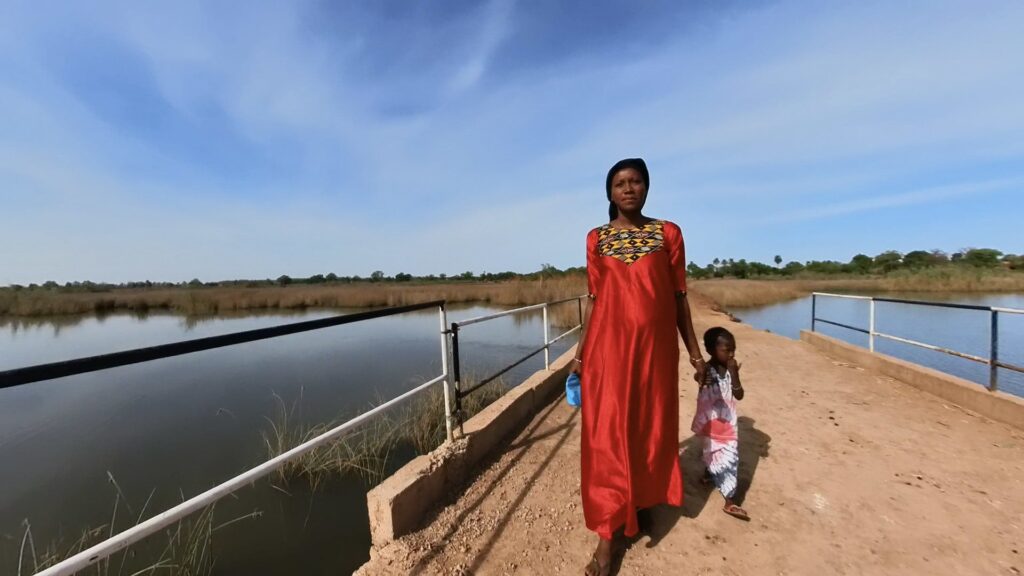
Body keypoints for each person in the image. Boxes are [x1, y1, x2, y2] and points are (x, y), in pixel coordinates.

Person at [571, 158, 706, 576]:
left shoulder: (668, 233)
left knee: (649, 428)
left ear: (647, 187)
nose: (628, 189)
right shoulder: (596, 239)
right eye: (619, 184)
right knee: (607, 436)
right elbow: (595, 301)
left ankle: (640, 501)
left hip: (655, 353)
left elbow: (679, 296)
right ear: (609, 193)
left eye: (635, 181)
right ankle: (608, 538)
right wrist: (578, 356)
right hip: (607, 353)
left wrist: (695, 353)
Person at [691, 326, 750, 521]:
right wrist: (701, 376)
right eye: (727, 350)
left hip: (728, 427)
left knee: (730, 458)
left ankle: (730, 501)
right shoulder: (707, 370)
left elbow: (739, 395)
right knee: (711, 453)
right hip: (711, 424)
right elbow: (699, 377)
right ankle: (709, 473)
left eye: (733, 349)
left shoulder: (732, 369)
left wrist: (734, 374)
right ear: (710, 350)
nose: (732, 354)